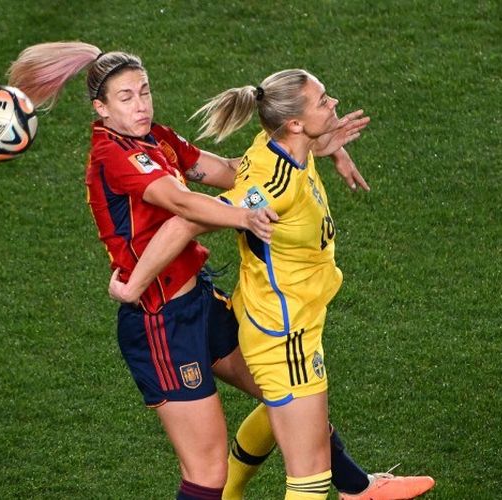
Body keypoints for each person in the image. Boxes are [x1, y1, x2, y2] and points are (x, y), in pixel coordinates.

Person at [6, 42, 376, 500]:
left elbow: (225, 170)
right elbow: (183, 207)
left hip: (198, 301)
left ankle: (356, 487)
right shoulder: (114, 155)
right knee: (206, 472)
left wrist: (312, 149)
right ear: (100, 109)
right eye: (126, 98)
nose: (141, 105)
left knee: (284, 391)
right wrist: (243, 216)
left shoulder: (156, 138)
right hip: (160, 321)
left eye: (144, 91)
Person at [109, 69, 435, 499]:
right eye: (323, 101)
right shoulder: (272, 186)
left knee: (285, 414)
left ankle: (260, 492)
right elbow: (189, 219)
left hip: (280, 315)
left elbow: (279, 158)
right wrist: (134, 287)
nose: (333, 102)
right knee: (311, 473)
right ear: (296, 123)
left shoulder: (277, 147)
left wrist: (327, 147)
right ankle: (355, 491)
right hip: (285, 332)